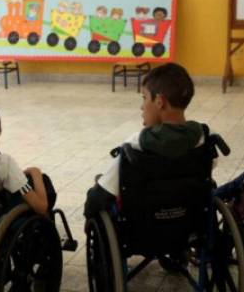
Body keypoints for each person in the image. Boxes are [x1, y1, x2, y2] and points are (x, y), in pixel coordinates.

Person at [84, 63, 201, 217]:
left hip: (142, 234)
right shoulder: (203, 138)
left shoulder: (136, 145)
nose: (141, 107)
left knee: (95, 194)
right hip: (189, 228)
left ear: (160, 102)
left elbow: (96, 200)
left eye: (144, 98)